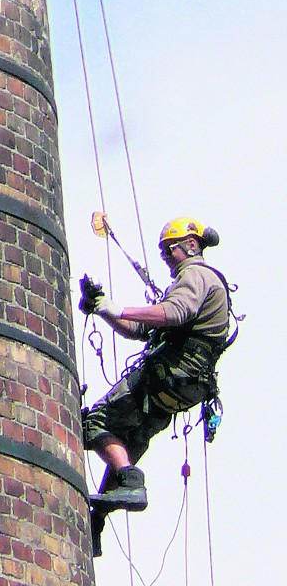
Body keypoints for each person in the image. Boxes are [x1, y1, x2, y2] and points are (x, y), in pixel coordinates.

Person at [82, 217, 230, 556]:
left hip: (171, 373)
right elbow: (140, 329)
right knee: (131, 438)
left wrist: (117, 307)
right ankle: (99, 519)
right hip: (186, 390)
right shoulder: (200, 283)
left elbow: (174, 313)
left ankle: (131, 484)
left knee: (96, 421)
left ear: (190, 246)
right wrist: (104, 308)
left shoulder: (196, 275)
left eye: (170, 250)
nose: (166, 257)